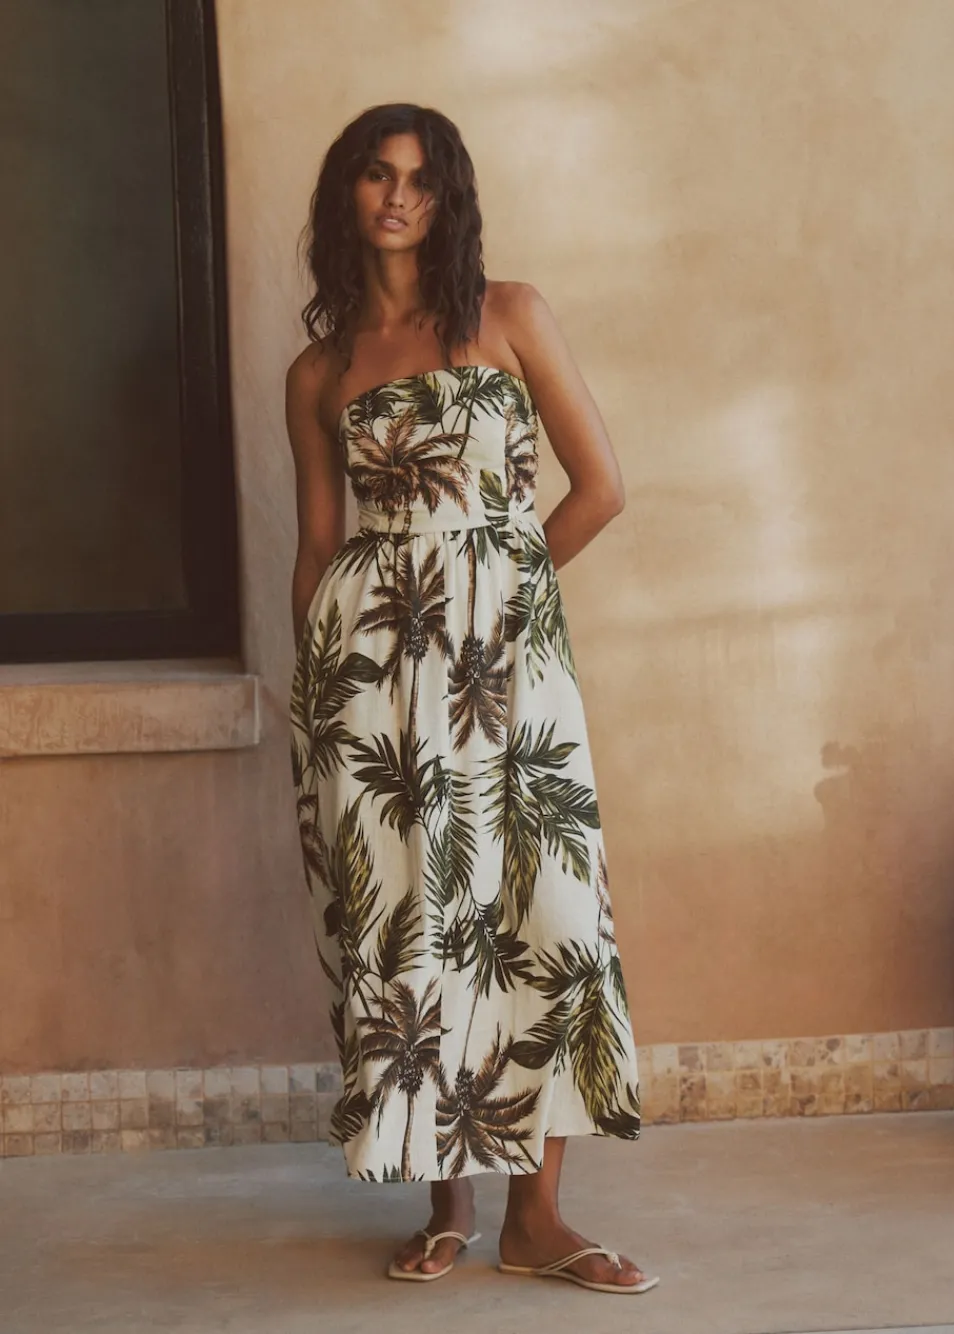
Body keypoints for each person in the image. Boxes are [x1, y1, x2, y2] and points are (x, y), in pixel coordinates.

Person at [285, 102, 657, 1296]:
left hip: (509, 675)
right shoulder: (320, 370)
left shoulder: (509, 314)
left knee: (543, 913)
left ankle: (536, 1217)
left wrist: (501, 595)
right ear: (345, 195)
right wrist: (314, 698)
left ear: (449, 197)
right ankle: (446, 1199)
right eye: (374, 175)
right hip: (372, 690)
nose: (397, 196)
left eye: (420, 178)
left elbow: (598, 487)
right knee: (415, 924)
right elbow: (317, 546)